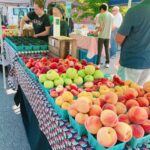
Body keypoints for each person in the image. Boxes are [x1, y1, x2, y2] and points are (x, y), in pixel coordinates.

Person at [116, 0, 150, 85]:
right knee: (141, 94)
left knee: (124, 93)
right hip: (147, 63)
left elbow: (119, 38)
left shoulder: (135, 10)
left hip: (131, 61)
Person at [95, 3, 114, 68]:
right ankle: (107, 63)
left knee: (99, 50)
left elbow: (101, 27)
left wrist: (96, 32)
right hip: (108, 36)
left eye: (100, 10)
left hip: (101, 36)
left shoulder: (101, 15)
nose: (100, 11)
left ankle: (98, 64)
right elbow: (112, 26)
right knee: (107, 50)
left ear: (102, 9)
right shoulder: (112, 16)